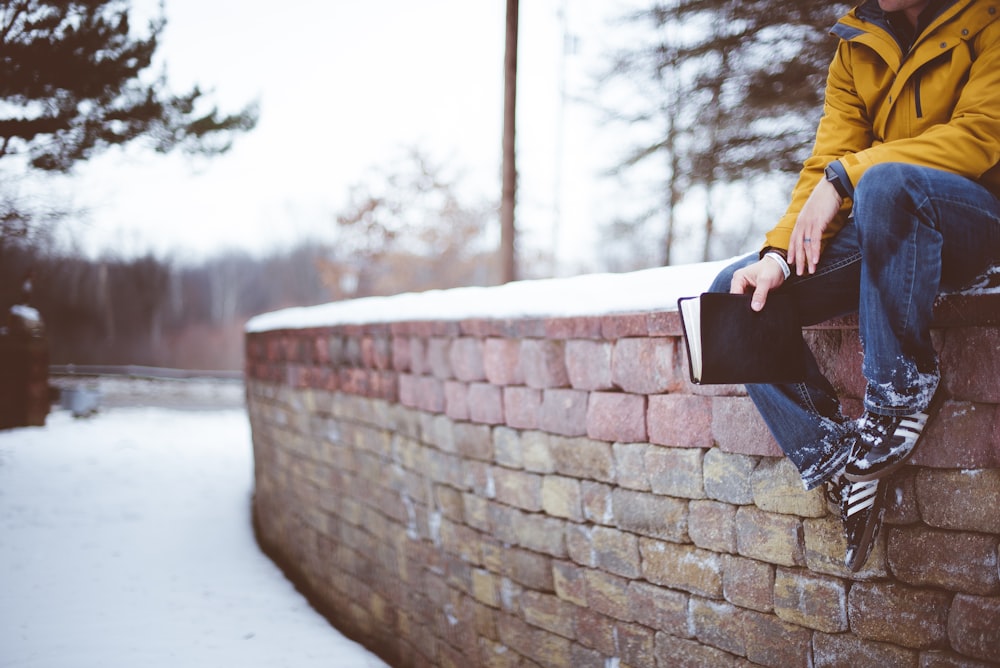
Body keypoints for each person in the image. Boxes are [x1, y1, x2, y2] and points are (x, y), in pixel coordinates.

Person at [710, 0, 1000, 571]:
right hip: (886, 220)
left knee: (889, 184)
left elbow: (980, 135)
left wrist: (849, 177)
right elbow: (827, 156)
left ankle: (897, 395)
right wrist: (778, 254)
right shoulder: (857, 43)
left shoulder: (989, 18)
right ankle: (839, 456)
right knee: (735, 295)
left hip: (974, 219)